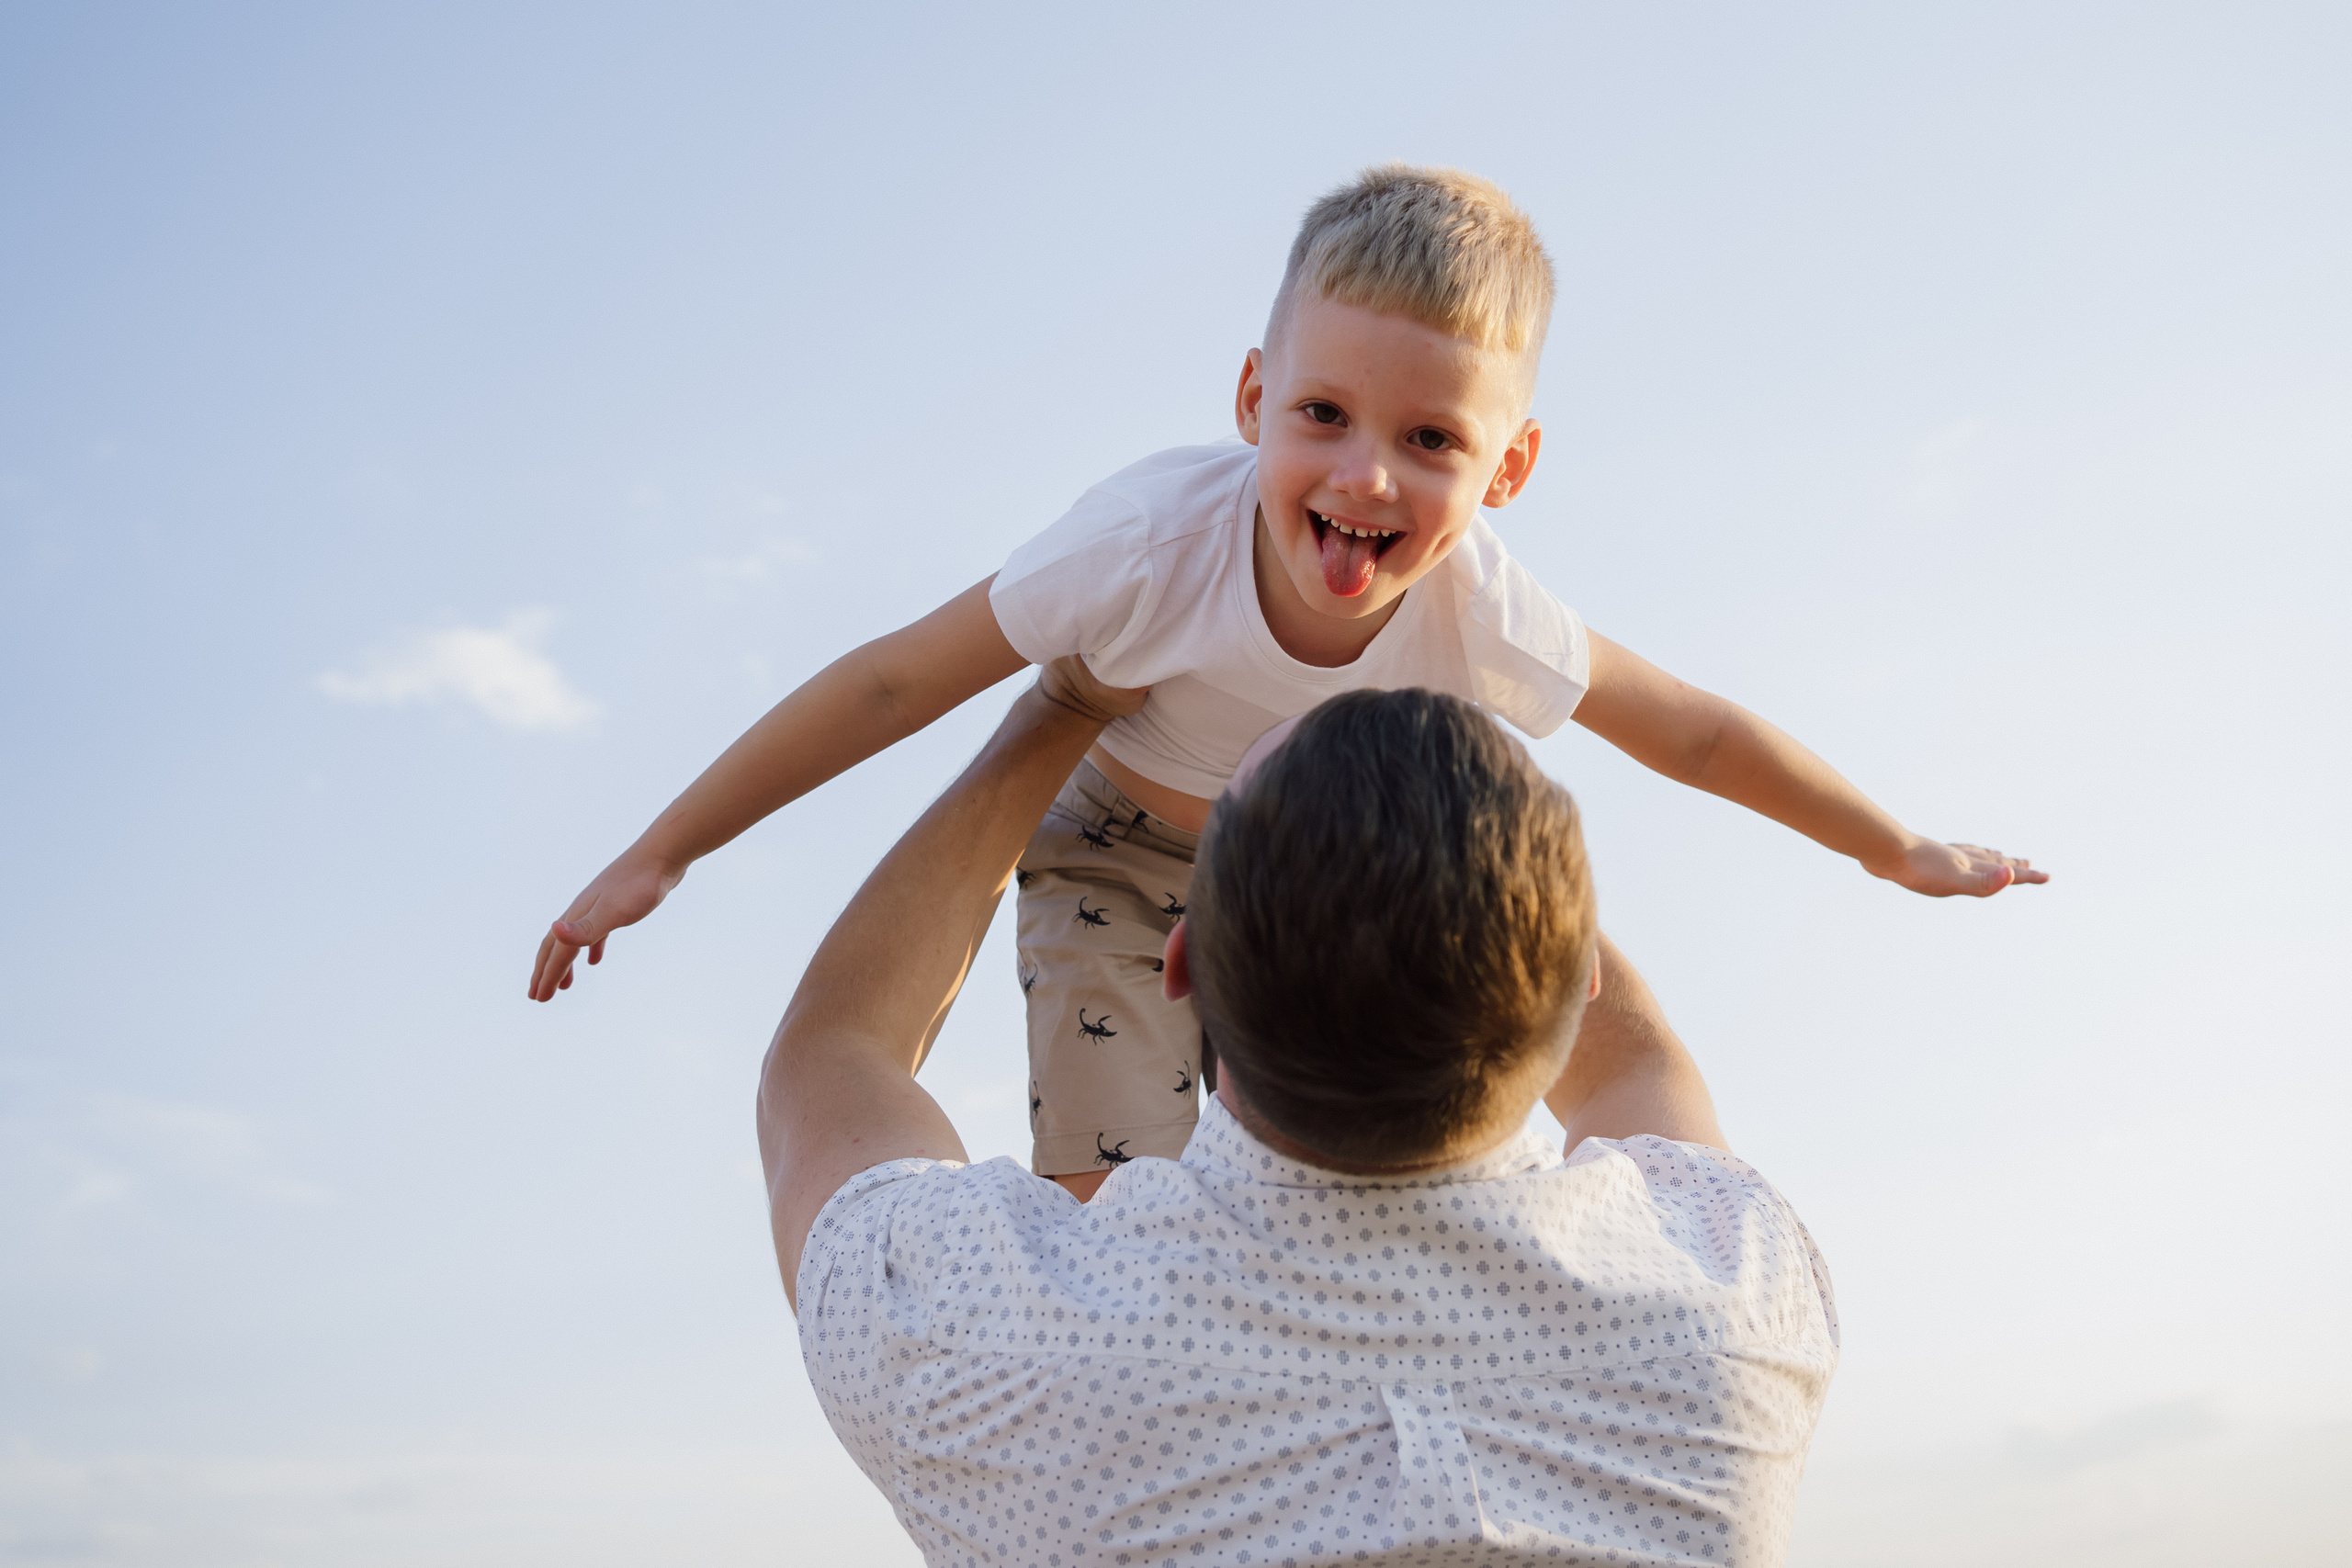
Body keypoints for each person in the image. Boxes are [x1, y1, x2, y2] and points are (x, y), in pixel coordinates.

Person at [541, 164, 2042, 1201]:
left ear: (1509, 466)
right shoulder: (1140, 548)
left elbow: (1694, 729)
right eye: (1322, 413)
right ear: (1254, 398)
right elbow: (892, 682)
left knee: (1386, 1165)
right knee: (1113, 1204)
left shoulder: (1486, 615)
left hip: (1347, 890)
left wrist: (1887, 843)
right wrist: (661, 848)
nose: (1365, 476)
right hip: (1122, 859)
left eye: (1435, 442)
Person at [763, 664, 1840, 1566]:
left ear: (1178, 961)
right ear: (1579, 981)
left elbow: (833, 1052)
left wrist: (1061, 709)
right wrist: (1461, 820)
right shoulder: (1731, 1304)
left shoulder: (988, 1338)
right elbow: (1631, 1068)